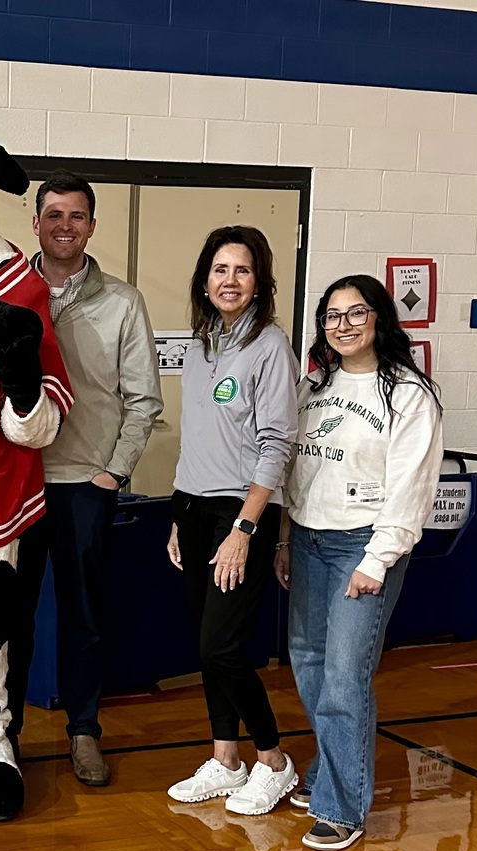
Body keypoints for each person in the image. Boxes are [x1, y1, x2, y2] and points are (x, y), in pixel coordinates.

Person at [275, 275, 443, 851]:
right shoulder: (311, 388)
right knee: (309, 664)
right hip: (307, 541)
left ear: (380, 319)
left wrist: (378, 559)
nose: (342, 325)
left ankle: (341, 808)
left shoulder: (408, 394)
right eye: (332, 315)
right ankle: (328, 767)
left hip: (364, 546)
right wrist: (283, 538)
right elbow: (295, 471)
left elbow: (411, 490)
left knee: (346, 678)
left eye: (356, 312)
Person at [6, 170, 163, 785]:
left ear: (91, 226)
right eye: (54, 215)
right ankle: (0, 734)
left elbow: (142, 399)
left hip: (83, 486)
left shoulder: (123, 302)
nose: (64, 226)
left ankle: (84, 733)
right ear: (36, 222)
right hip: (15, 484)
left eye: (76, 216)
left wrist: (112, 472)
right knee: (11, 618)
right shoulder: (9, 294)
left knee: (83, 616)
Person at [166, 225, 299, 815]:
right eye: (220, 270)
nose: (230, 281)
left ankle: (272, 759)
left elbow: (276, 444)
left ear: (259, 282)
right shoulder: (201, 346)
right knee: (203, 643)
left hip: (240, 512)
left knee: (223, 646)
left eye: (242, 271)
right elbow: (197, 436)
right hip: (192, 507)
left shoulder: (269, 346)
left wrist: (244, 530)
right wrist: (177, 517)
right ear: (204, 279)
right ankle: (225, 759)